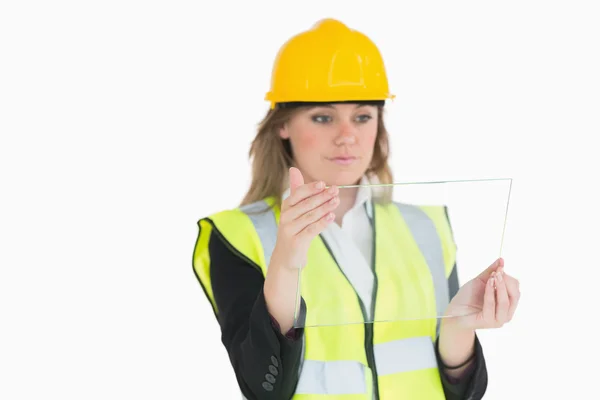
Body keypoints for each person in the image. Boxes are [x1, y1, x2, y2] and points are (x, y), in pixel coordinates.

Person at [192, 18, 520, 400]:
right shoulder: (237, 235)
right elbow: (262, 387)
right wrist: (286, 262)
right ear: (283, 125)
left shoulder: (426, 226)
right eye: (323, 116)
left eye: (362, 116)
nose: (347, 135)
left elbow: (460, 390)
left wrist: (460, 325)